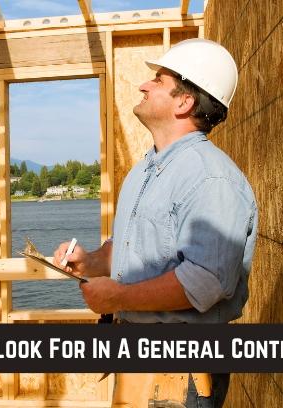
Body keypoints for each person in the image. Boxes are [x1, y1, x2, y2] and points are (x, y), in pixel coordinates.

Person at [52, 38, 258, 408]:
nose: (144, 85)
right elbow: (129, 248)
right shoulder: (145, 170)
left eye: (159, 80)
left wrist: (118, 296)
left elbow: (206, 281)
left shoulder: (211, 178)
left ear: (184, 102)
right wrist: (90, 261)